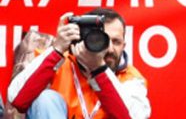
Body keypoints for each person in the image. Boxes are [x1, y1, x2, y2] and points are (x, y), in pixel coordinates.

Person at [7, 8, 151, 118]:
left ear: (124, 46)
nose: (110, 48)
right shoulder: (58, 62)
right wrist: (57, 50)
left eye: (116, 42)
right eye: (102, 40)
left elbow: (135, 116)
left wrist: (98, 69)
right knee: (45, 99)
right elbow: (17, 99)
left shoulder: (131, 78)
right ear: (84, 39)